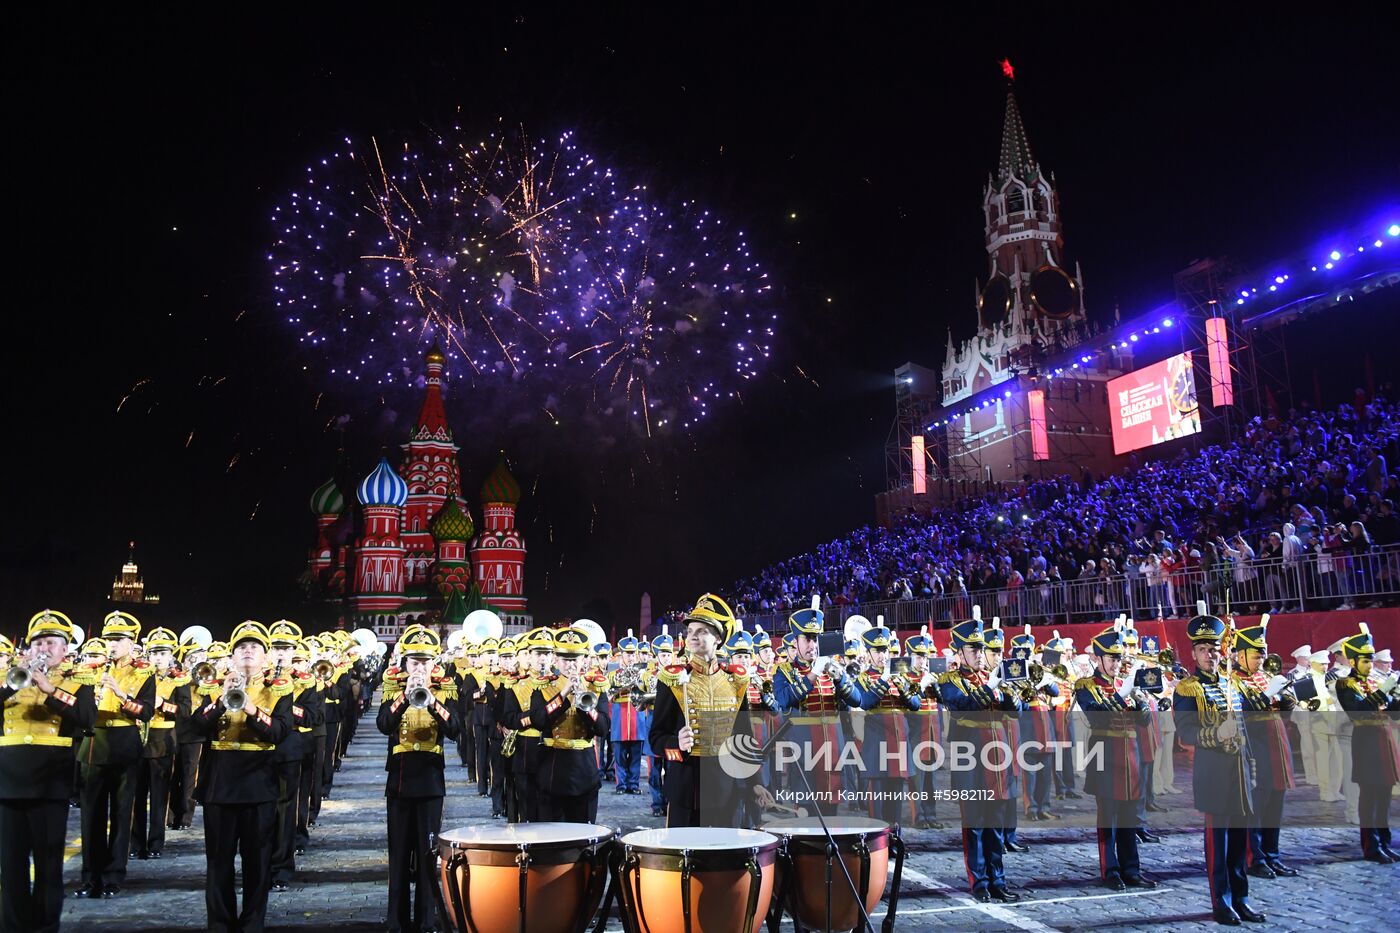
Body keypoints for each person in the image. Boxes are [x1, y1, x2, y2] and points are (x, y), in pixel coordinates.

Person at [189, 620, 294, 933]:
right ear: (232, 656)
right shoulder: (213, 686)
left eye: (254, 647)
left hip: (258, 783)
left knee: (257, 863)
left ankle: (252, 924)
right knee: (218, 862)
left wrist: (251, 709)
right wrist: (222, 700)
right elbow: (196, 726)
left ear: (265, 657)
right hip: (220, 784)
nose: (248, 651)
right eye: (242, 648)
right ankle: (220, 924)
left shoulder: (278, 689)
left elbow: (280, 732)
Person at [0, 610, 97, 933]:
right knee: (10, 866)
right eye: (38, 643)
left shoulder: (78, 681)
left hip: (50, 781)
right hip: (8, 781)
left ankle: (44, 927)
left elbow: (87, 719)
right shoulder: (7, 677)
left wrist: (51, 690)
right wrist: (13, 682)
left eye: (51, 643)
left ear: (65, 650)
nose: (43, 648)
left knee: (48, 865)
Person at [1173, 606, 1267, 926]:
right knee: (1219, 844)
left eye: (1214, 649)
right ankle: (1221, 902)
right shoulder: (1188, 689)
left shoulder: (1232, 684)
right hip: (1213, 773)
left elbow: (1245, 728)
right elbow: (1186, 733)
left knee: (1239, 843)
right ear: (1194, 654)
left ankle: (1241, 898)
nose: (1209, 655)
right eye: (1203, 650)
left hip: (1239, 772)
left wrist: (1251, 765)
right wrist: (1217, 734)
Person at [649, 595, 772, 827]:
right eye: (690, 631)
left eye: (701, 631)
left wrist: (755, 781)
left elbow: (743, 737)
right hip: (686, 791)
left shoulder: (735, 680)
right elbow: (656, 738)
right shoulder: (671, 680)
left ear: (718, 638)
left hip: (727, 791)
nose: (692, 636)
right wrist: (676, 743)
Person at [377, 624, 459, 933]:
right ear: (405, 663)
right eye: (415, 662)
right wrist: (404, 696)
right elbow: (384, 724)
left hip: (430, 778)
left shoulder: (446, 688)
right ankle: (395, 920)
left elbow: (455, 729)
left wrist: (432, 701)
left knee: (428, 854)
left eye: (425, 662)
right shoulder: (392, 686)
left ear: (434, 662)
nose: (420, 668)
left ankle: (426, 920)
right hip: (399, 779)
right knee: (398, 854)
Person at [940, 608, 1023, 903]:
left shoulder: (991, 678)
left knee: (995, 825)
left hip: (997, 761)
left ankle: (998, 880)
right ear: (959, 652)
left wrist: (1010, 695)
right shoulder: (949, 681)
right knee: (974, 825)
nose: (979, 654)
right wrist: (990, 688)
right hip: (971, 762)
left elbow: (1016, 712)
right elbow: (962, 705)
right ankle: (979, 881)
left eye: (980, 649)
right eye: (973, 649)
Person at [77, 610, 156, 898]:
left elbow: (146, 712)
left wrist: (121, 695)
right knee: (91, 815)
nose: (112, 645)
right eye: (109, 639)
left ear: (131, 643)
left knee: (122, 814)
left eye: (118, 640)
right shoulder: (91, 670)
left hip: (125, 744)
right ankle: (90, 877)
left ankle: (113, 875)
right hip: (95, 744)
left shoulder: (143, 672)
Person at [1075, 623, 1157, 891]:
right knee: (1108, 818)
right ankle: (1110, 870)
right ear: (1097, 659)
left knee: (1129, 817)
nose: (1116, 664)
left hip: (1130, 756)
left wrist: (1143, 705)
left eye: (1118, 659)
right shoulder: (1085, 685)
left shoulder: (1125, 684)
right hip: (1105, 754)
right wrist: (1123, 694)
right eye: (1111, 659)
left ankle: (1131, 869)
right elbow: (1096, 715)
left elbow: (1143, 721)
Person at [1232, 618, 1300, 879]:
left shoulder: (1266, 676)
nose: (1260, 660)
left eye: (1262, 655)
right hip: (1255, 746)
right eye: (1255, 655)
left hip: (1277, 745)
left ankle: (1272, 855)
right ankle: (1255, 857)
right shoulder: (1234, 681)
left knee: (1275, 805)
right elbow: (1242, 712)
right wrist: (1266, 696)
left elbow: (1284, 708)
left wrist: (1287, 699)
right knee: (1256, 806)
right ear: (1241, 655)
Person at [1333, 624, 1400, 863]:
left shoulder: (1374, 682)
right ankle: (1371, 845)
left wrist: (1396, 696)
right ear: (1353, 661)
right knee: (1369, 796)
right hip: (1367, 742)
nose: (1369, 666)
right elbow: (1358, 712)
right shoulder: (1345, 684)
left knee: (1384, 796)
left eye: (1370, 661)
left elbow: (1392, 713)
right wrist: (1382, 693)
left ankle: (1384, 841)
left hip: (1384, 739)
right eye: (1364, 661)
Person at [532, 627, 610, 822]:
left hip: (584, 769)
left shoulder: (595, 686)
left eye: (575, 659)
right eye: (565, 659)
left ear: (584, 660)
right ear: (556, 660)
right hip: (553, 768)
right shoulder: (543, 685)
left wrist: (584, 704)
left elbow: (603, 728)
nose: (570, 665)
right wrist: (563, 695)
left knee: (584, 830)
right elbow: (539, 721)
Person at [130, 627, 183, 861]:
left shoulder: (179, 680)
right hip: (137, 740)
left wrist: (162, 704)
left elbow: (185, 712)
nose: (158, 658)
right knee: (136, 797)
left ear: (171, 655)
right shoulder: (139, 676)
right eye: (154, 653)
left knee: (159, 797)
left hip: (162, 741)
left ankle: (155, 843)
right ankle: (136, 843)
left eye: (162, 653)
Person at [168, 636, 211, 832]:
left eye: (201, 656)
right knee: (172, 775)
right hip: (174, 731)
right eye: (193, 657)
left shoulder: (206, 678)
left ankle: (185, 816)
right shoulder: (177, 678)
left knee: (189, 776)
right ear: (185, 660)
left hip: (195, 733)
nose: (198, 661)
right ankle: (170, 816)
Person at [608, 631, 646, 795]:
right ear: (621, 655)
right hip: (620, 720)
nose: (630, 658)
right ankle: (621, 785)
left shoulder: (643, 674)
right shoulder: (613, 675)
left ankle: (634, 784)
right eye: (627, 654)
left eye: (633, 654)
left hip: (637, 719)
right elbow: (608, 696)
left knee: (636, 756)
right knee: (620, 756)